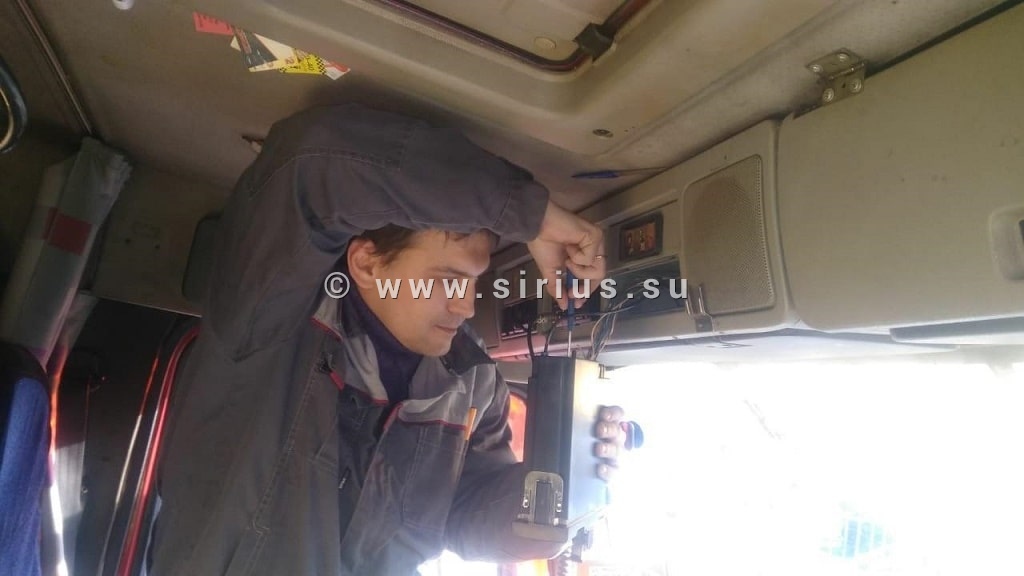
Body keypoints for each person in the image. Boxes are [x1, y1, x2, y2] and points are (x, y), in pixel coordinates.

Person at [151, 103, 625, 575]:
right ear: (367, 263)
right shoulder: (274, 317)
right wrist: (531, 217)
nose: (466, 306)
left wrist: (556, 492)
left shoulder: (475, 382)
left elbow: (463, 510)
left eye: (474, 281)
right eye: (448, 279)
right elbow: (310, 161)